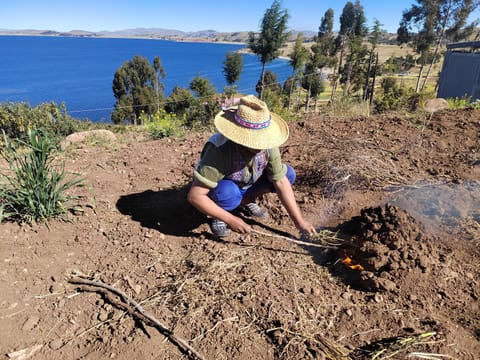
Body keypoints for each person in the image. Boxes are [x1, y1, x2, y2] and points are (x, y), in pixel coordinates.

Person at [187, 94, 316, 237]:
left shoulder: (268, 144)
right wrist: (230, 219)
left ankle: (245, 201)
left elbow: (280, 181)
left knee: (287, 174)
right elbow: (196, 196)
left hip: (247, 184)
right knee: (227, 193)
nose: (261, 146)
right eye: (256, 141)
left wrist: (299, 222)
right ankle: (219, 213)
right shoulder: (219, 150)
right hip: (225, 188)